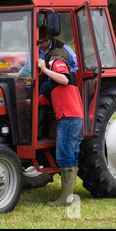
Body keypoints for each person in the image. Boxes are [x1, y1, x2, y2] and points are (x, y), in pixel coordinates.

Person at [37, 48, 83, 207]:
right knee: (72, 156)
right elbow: (42, 101)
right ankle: (68, 195)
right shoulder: (53, 84)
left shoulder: (58, 63)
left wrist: (44, 69)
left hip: (68, 119)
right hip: (75, 119)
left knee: (65, 155)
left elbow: (64, 79)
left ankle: (66, 198)